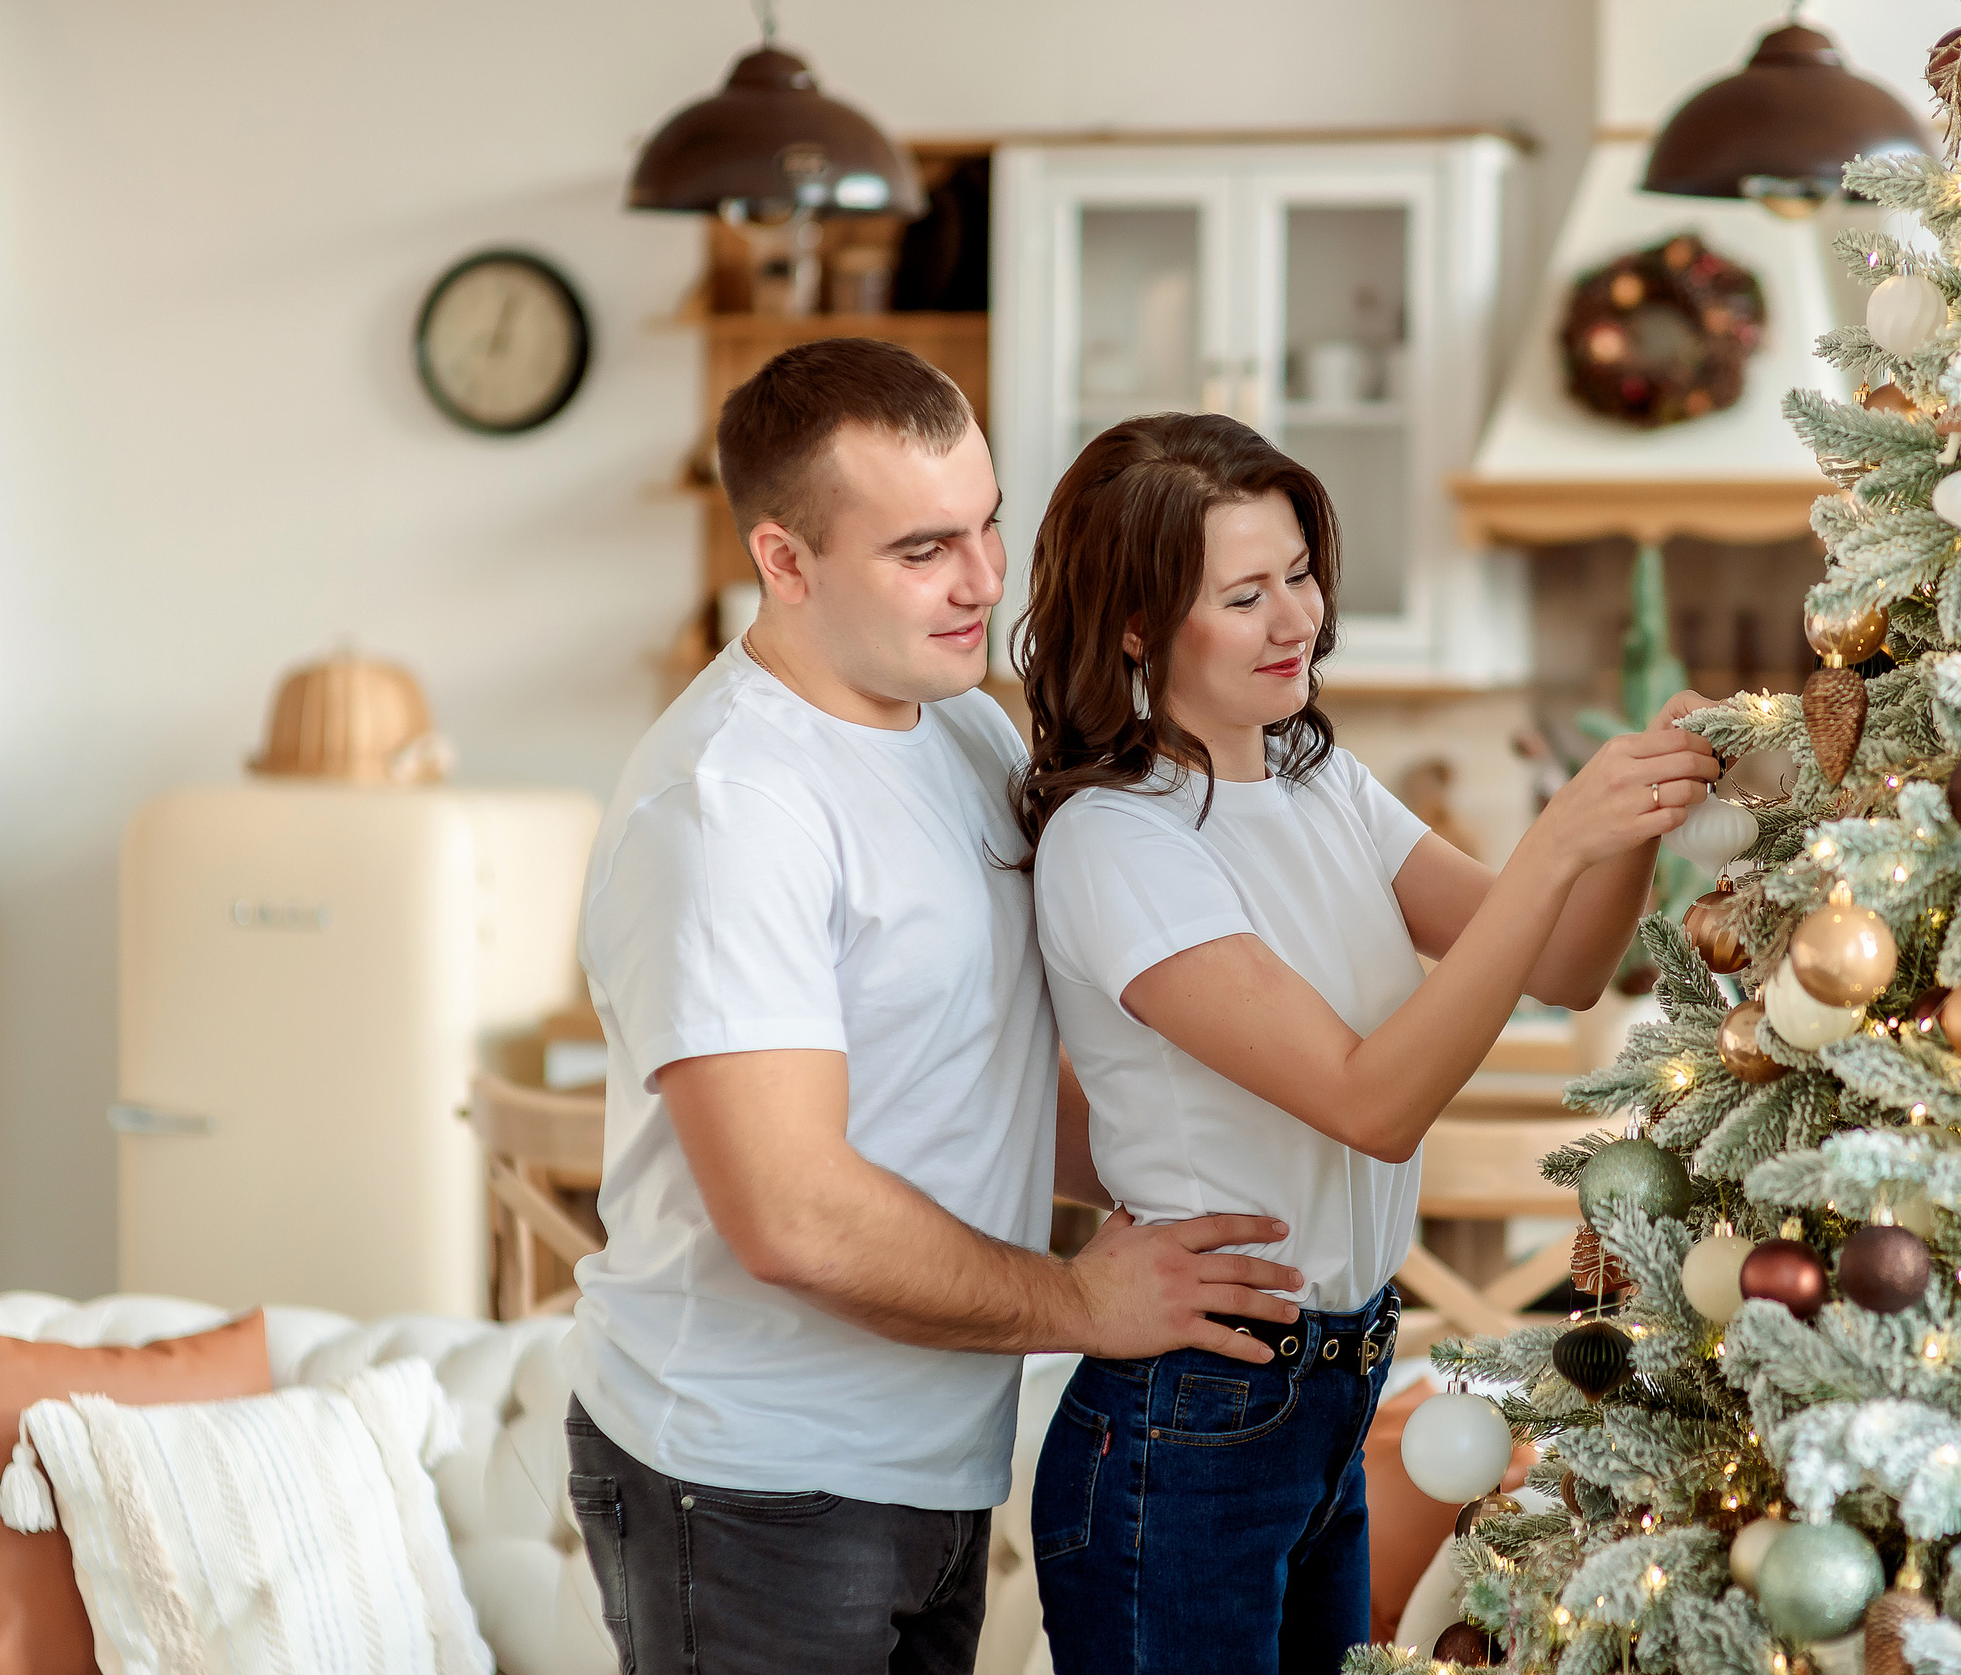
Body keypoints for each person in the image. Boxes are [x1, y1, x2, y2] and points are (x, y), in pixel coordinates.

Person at [561, 341, 1305, 1675]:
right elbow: (792, 1213)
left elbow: (989, 1066)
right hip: (751, 1486)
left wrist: (1188, 1183)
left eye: (988, 521)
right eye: (921, 550)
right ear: (785, 560)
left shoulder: (962, 728)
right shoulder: (732, 809)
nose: (982, 581)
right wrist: (1084, 1303)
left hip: (929, 1460)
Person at [1011, 412, 1719, 1675]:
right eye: (1243, 593)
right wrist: (1559, 835)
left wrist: (1640, 811)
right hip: (1195, 1418)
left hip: (1337, 1388)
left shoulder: (1315, 777)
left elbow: (1559, 960)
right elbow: (1370, 1100)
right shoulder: (1116, 843)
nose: (1296, 618)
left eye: (1297, 571)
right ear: (1134, 625)